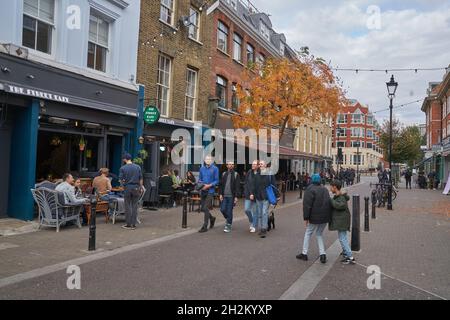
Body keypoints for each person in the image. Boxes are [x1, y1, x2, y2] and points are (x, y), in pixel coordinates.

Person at [297, 173, 331, 264]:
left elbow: (307, 205)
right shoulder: (325, 189)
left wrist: (306, 218)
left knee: (308, 233)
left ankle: (304, 253)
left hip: (314, 217)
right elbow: (328, 203)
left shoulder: (310, 189)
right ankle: (322, 254)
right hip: (324, 217)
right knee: (319, 234)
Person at [329, 180, 356, 265]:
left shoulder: (340, 197)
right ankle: (345, 252)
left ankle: (350, 257)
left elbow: (340, 205)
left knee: (342, 238)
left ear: (335, 187)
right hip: (342, 219)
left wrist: (331, 201)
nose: (330, 188)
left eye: (331, 186)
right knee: (342, 236)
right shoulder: (339, 196)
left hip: (342, 220)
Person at [253, 160, 278, 238]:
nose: (260, 165)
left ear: (265, 165)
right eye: (259, 164)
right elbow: (254, 186)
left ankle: (264, 229)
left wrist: (277, 196)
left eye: (262, 164)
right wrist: (253, 194)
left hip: (266, 197)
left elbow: (273, 185)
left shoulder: (270, 174)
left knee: (264, 212)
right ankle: (262, 227)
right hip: (258, 197)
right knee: (260, 213)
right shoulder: (256, 174)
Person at [119, 153, 143, 230]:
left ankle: (128, 224)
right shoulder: (138, 167)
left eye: (123, 158)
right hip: (136, 187)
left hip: (128, 188)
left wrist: (123, 187)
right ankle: (134, 224)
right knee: (135, 206)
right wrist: (140, 187)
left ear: (125, 159)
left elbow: (121, 180)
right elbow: (141, 178)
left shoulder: (123, 168)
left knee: (128, 206)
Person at [198, 155, 219, 233]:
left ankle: (205, 226)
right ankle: (212, 218)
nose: (208, 160)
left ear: (212, 160)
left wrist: (209, 185)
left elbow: (217, 180)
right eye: (206, 159)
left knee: (206, 207)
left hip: (210, 190)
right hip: (203, 190)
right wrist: (202, 185)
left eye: (209, 159)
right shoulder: (201, 168)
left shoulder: (215, 169)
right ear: (204, 160)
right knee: (203, 208)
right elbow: (200, 179)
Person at [219, 161, 241, 233]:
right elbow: (221, 185)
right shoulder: (224, 174)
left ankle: (228, 224)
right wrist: (220, 194)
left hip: (232, 196)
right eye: (229, 164)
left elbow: (237, 186)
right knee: (222, 209)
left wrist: (236, 197)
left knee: (229, 210)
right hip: (224, 196)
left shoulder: (236, 174)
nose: (231, 166)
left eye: (232, 164)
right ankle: (228, 218)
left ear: (233, 166)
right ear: (227, 165)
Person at [244, 160, 259, 233]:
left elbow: (259, 186)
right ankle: (252, 220)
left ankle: (253, 225)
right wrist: (249, 193)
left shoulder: (260, 173)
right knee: (247, 209)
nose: (253, 165)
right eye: (252, 164)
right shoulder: (249, 172)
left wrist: (254, 194)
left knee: (255, 211)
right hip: (248, 195)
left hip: (256, 196)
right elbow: (246, 183)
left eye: (254, 164)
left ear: (258, 165)